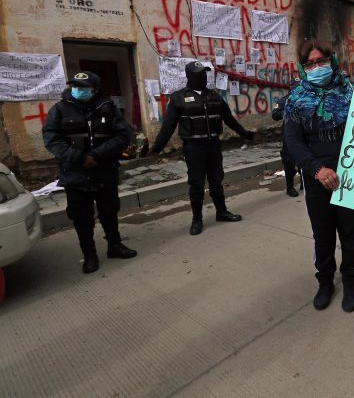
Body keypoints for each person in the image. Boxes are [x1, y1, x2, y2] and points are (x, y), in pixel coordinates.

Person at [284, 41, 354, 313]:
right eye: (310, 64)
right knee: (323, 234)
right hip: (317, 177)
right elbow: (293, 142)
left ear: (333, 60)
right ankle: (326, 281)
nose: (317, 67)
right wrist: (317, 169)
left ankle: (350, 281)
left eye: (322, 61)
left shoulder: (352, 92)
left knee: (351, 232)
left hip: (352, 176)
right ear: (303, 68)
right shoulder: (296, 100)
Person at [42, 71, 137, 273]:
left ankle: (115, 245)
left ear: (94, 90)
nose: (77, 90)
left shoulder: (108, 108)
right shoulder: (59, 110)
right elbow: (51, 139)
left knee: (110, 212)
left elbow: (122, 136)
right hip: (75, 175)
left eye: (82, 88)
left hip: (104, 171)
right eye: (74, 86)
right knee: (81, 218)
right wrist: (80, 158)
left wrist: (97, 155)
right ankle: (90, 256)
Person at [151, 61, 254, 235]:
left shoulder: (214, 96)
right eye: (200, 74)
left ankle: (222, 212)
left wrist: (245, 133)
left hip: (213, 146)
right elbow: (168, 126)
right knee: (197, 184)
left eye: (205, 73)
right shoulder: (178, 98)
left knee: (216, 180)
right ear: (190, 76)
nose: (204, 77)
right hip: (193, 147)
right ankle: (197, 219)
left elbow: (229, 119)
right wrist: (156, 148)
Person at [272, 92, 302, 197]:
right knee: (289, 161)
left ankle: (304, 182)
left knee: (305, 159)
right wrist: (286, 112)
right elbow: (275, 114)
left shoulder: (307, 96)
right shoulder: (285, 100)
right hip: (290, 134)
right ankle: (290, 187)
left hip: (305, 133)